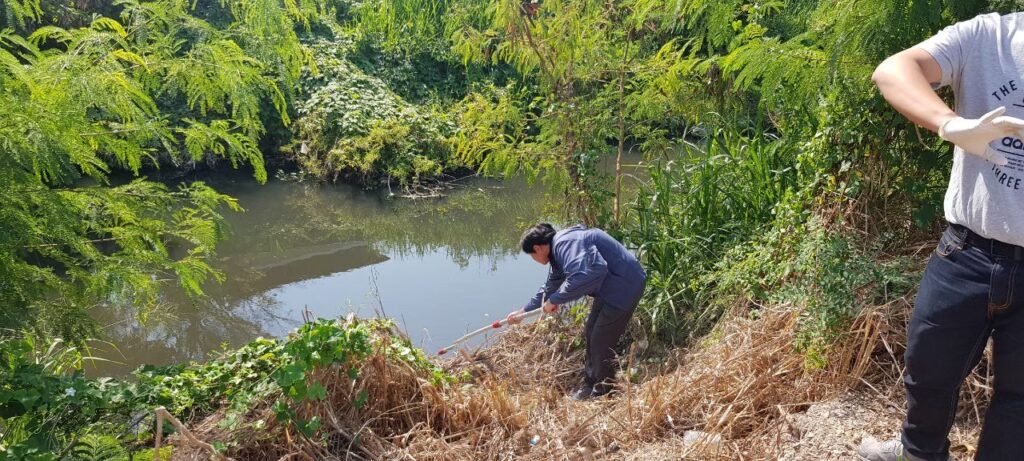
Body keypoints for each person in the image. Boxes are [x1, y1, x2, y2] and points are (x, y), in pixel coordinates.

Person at [864, 12, 1024, 461]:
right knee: (928, 372)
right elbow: (893, 70)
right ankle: (917, 453)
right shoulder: (990, 35)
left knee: (1018, 400)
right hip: (966, 251)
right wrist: (949, 123)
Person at [505, 223, 646, 400]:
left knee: (600, 339)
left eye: (532, 255)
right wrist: (523, 311)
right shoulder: (558, 249)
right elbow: (551, 286)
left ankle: (605, 391)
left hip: (625, 286)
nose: (534, 259)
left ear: (537, 248)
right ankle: (590, 385)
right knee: (590, 333)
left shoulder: (564, 243)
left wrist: (555, 300)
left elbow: (590, 272)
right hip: (610, 287)